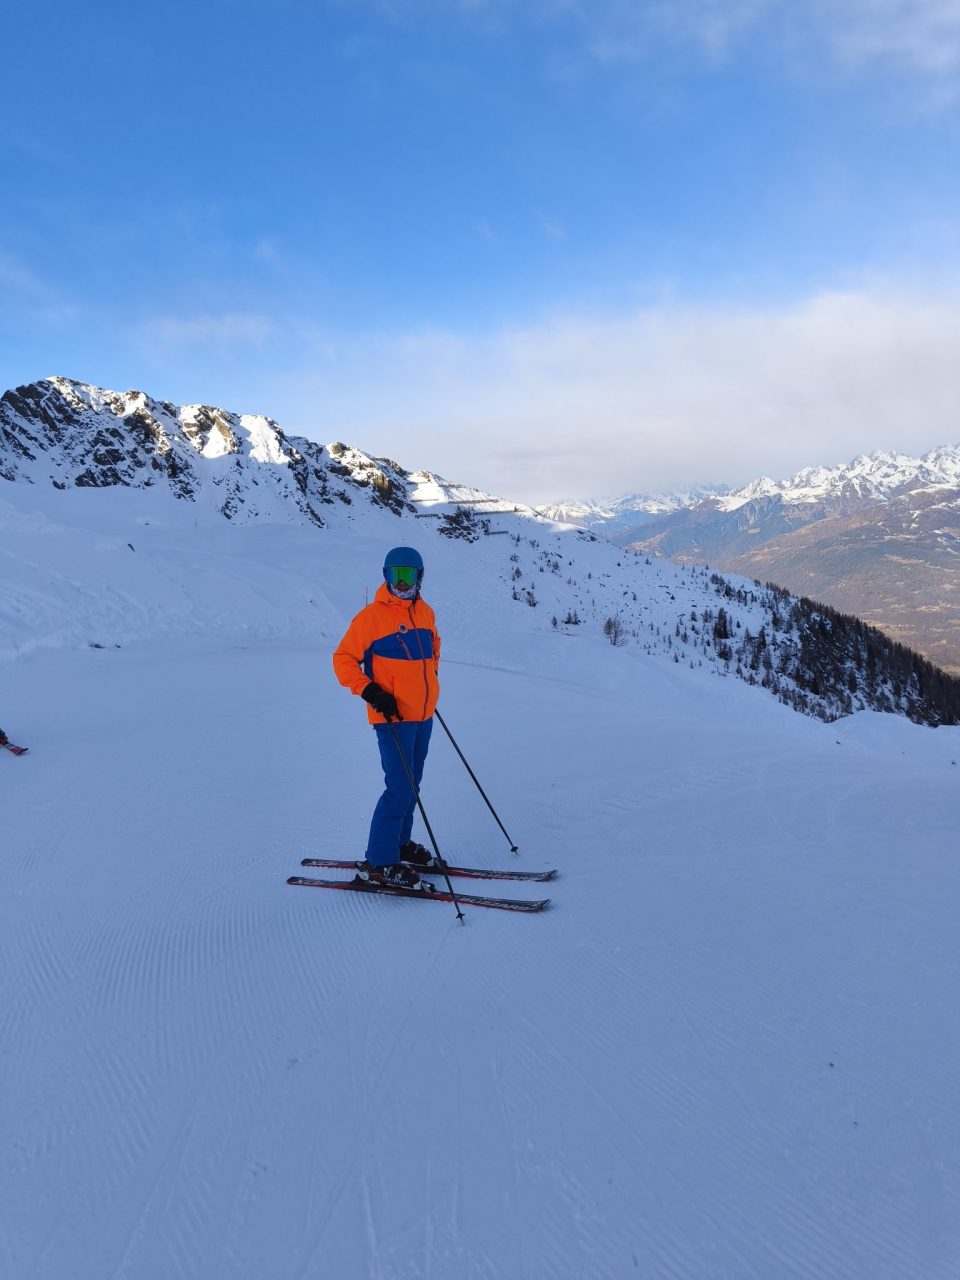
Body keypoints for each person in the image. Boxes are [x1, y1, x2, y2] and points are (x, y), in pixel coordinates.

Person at [333, 546, 441, 891]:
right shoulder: (371, 618)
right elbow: (343, 659)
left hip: (423, 715)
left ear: (420, 577)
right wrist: (372, 692)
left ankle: (400, 843)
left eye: (409, 575)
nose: (402, 583)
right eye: (397, 575)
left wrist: (427, 688)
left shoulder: (425, 613)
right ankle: (379, 861)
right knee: (398, 788)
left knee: (412, 785)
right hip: (392, 717)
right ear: (386, 575)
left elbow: (434, 650)